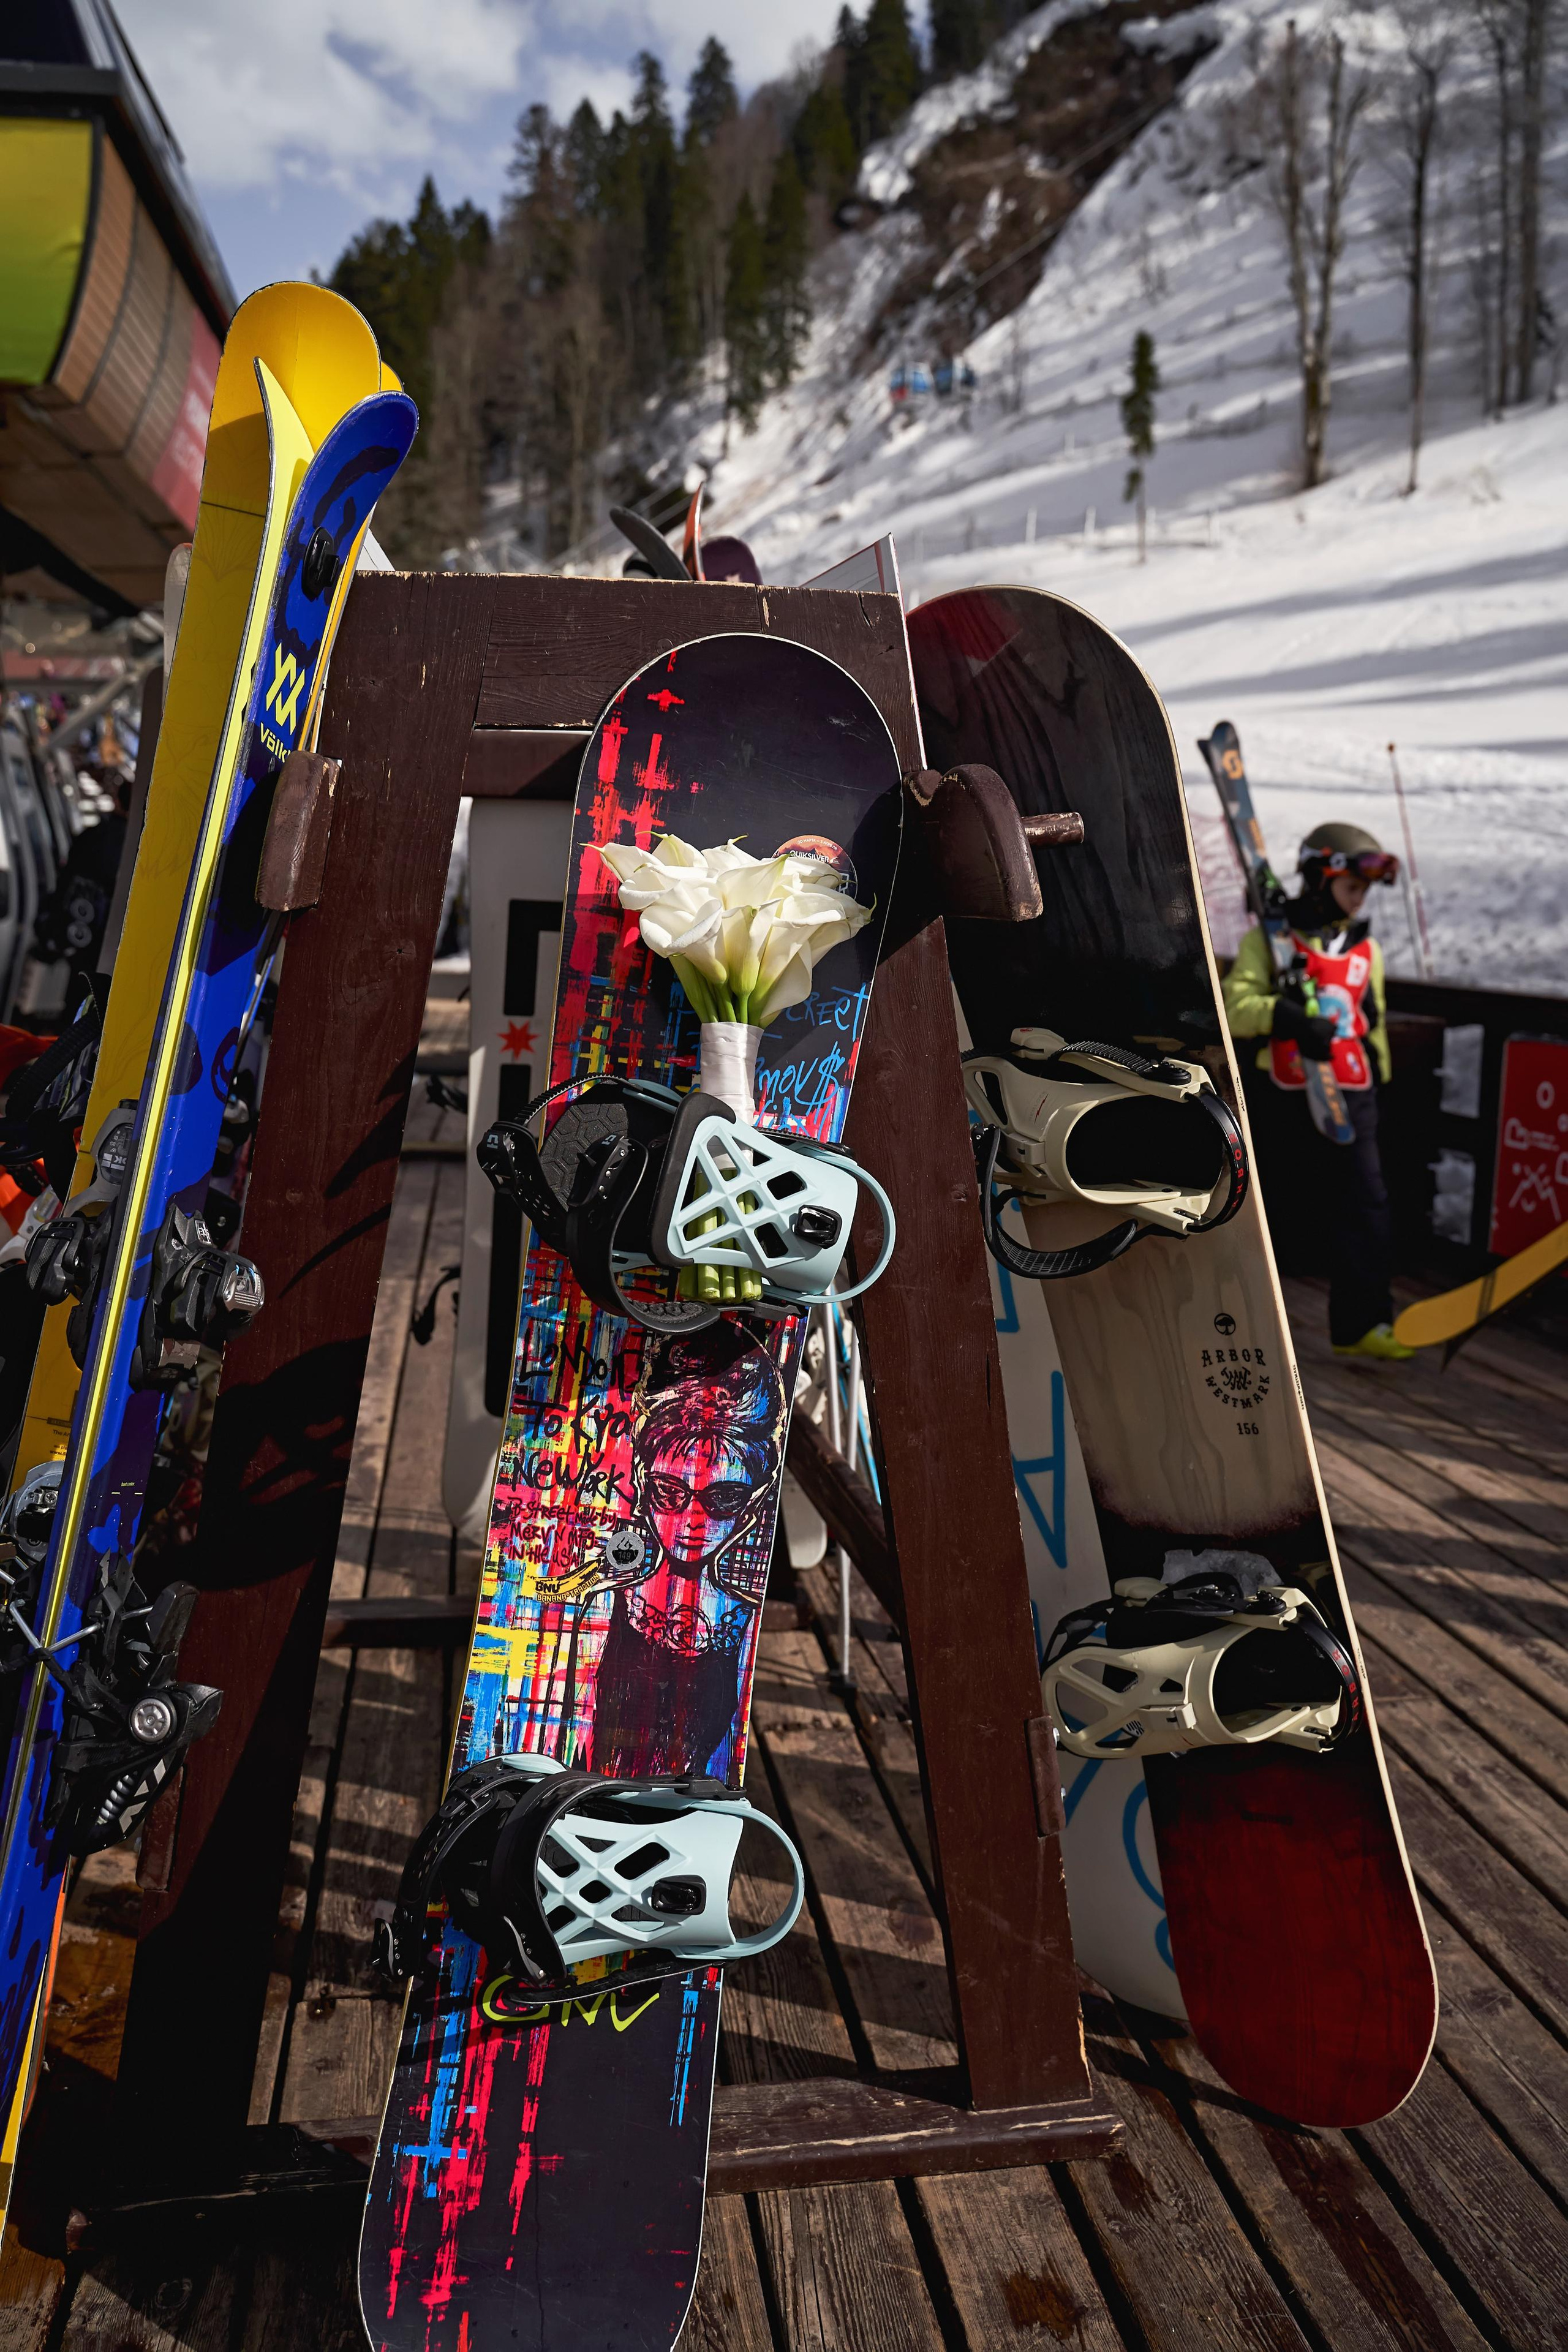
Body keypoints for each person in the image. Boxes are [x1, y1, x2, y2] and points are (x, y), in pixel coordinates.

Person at [1222, 821, 1414, 1360]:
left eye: (1365, 891)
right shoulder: (1271, 942)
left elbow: (1369, 1020)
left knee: (1368, 1203)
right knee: (1277, 1207)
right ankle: (1248, 1323)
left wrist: (1383, 1083)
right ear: (1318, 878)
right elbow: (1235, 1009)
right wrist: (1282, 1015)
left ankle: (1363, 1323)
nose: (1359, 900)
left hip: (1353, 1092)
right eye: (1352, 887)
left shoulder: (1365, 949)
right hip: (1286, 1091)